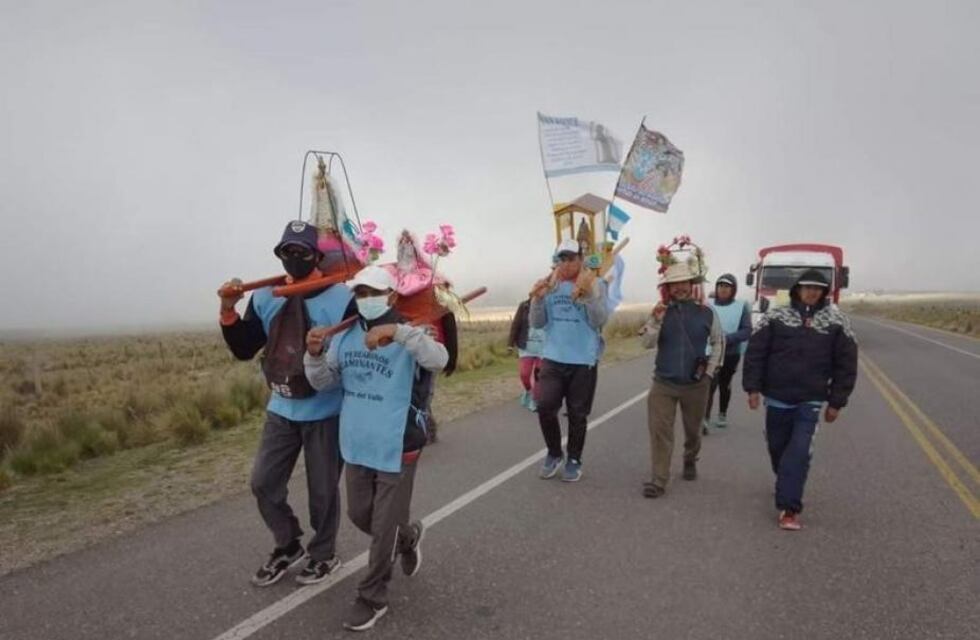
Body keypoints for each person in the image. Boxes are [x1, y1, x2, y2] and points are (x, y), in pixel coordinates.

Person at [305, 265, 448, 631]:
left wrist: (397, 332)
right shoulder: (345, 335)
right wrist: (315, 355)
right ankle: (408, 537)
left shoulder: (413, 331)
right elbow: (323, 383)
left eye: (373, 292)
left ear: (392, 295)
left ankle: (372, 596)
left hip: (398, 443)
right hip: (356, 442)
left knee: (383, 528)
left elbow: (439, 360)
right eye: (360, 293)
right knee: (359, 514)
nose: (366, 300)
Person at [218, 220, 351, 587]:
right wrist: (229, 311)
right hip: (281, 408)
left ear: (317, 256)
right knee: (263, 483)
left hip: (326, 411)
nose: (293, 258)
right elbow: (245, 348)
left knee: (323, 491)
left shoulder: (341, 298)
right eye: (286, 251)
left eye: (301, 252)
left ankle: (323, 554)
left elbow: (353, 353)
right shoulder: (266, 297)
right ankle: (288, 543)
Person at [742, 269, 857, 531]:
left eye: (818, 288)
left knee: (799, 452)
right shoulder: (775, 316)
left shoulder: (837, 321)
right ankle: (785, 480)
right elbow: (756, 353)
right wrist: (753, 389)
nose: (812, 292)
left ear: (824, 292)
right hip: (777, 397)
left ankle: (789, 508)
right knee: (778, 450)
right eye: (807, 287)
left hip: (811, 399)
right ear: (797, 289)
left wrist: (837, 402)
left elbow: (846, 364)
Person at [640, 260, 724, 498]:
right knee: (660, 431)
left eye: (683, 282)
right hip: (663, 383)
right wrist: (656, 320)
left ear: (691, 284)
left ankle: (690, 458)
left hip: (696, 384)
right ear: (668, 287)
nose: (679, 288)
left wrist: (709, 371)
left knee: (693, 431)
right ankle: (659, 479)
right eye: (673, 284)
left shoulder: (706, 311)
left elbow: (719, 341)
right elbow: (646, 343)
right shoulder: (660, 311)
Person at [529, 239, 609, 482]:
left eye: (571, 258)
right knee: (545, 406)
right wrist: (538, 300)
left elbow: (599, 321)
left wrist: (587, 297)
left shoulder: (596, 284)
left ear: (580, 259)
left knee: (577, 414)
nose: (565, 264)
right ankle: (554, 453)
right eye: (561, 259)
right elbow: (537, 323)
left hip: (583, 360)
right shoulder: (549, 284)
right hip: (553, 357)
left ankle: (574, 458)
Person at [704, 273, 752, 431]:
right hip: (710, 352)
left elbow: (746, 331)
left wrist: (726, 339)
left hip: (731, 353)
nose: (723, 289)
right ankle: (705, 418)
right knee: (710, 383)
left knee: (724, 384)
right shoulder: (708, 304)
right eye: (721, 286)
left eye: (727, 287)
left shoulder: (741, 306)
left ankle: (722, 413)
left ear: (733, 290)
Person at [507, 295, 546, 411]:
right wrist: (510, 344)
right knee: (525, 374)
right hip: (526, 347)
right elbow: (515, 324)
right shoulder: (524, 306)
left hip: (542, 348)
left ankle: (535, 400)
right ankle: (528, 392)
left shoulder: (548, 305)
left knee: (539, 376)